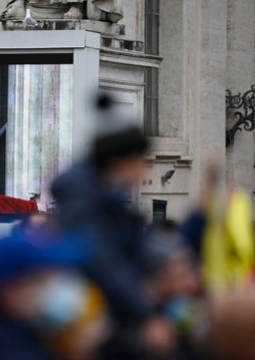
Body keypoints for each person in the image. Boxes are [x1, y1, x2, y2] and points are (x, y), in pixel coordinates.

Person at [51, 96, 174, 358]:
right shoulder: (83, 203)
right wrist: (146, 311)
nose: (146, 171)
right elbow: (102, 259)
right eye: (142, 161)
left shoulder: (104, 199)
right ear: (120, 162)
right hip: (88, 323)